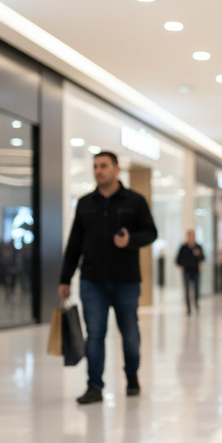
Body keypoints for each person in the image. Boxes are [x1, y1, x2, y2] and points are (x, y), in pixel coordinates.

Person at [59, 151, 158, 405]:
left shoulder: (135, 201)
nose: (98, 171)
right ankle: (94, 386)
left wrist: (131, 241)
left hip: (126, 281)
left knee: (130, 335)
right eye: (95, 166)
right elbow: (74, 244)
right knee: (95, 335)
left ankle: (132, 375)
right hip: (92, 282)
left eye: (103, 166)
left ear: (116, 170)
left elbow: (151, 232)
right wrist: (65, 278)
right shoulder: (84, 203)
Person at [175, 230, 204, 315]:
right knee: (187, 289)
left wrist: (199, 256)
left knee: (197, 289)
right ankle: (188, 308)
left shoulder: (198, 247)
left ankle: (196, 304)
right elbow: (178, 259)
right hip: (187, 271)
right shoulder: (183, 248)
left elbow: (203, 257)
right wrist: (181, 266)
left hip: (196, 271)